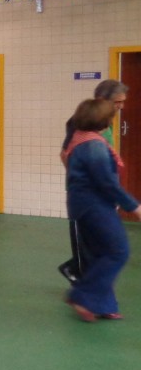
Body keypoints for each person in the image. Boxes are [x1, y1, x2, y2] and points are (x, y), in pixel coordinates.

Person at [61, 98, 141, 322]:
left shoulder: (79, 137)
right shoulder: (93, 146)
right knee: (118, 251)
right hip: (94, 205)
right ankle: (82, 295)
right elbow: (107, 183)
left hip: (81, 204)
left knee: (100, 254)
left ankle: (102, 305)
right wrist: (134, 207)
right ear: (105, 121)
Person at [58, 79, 129, 283]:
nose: (121, 106)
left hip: (103, 192)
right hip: (87, 194)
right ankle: (80, 277)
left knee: (103, 242)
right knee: (85, 244)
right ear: (102, 99)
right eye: (117, 102)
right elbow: (65, 154)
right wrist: (81, 180)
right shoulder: (81, 121)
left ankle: (82, 275)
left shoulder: (106, 121)